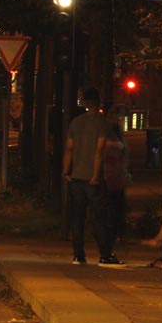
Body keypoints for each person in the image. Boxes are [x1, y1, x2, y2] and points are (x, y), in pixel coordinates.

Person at [62, 86, 124, 267]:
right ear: (98, 103)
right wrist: (96, 175)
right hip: (92, 179)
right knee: (99, 217)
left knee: (77, 217)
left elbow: (69, 149)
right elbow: (99, 151)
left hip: (75, 177)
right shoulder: (102, 124)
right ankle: (105, 255)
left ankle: (78, 255)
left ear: (85, 104)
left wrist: (66, 172)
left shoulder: (75, 123)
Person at [98, 105, 130, 251]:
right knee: (114, 206)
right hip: (112, 176)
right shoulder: (111, 133)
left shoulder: (110, 132)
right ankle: (113, 233)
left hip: (114, 176)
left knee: (115, 206)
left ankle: (114, 232)